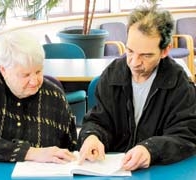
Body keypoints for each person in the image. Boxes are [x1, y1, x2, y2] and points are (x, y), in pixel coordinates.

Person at [78, 4, 196, 171]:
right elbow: (97, 120)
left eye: (146, 55)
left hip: (157, 171)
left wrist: (150, 150)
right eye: (130, 51)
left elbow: (186, 136)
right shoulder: (112, 74)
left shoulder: (180, 84)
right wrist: (91, 137)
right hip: (113, 170)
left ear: (165, 51)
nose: (134, 62)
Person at [0, 31, 77, 163]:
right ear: (3, 70)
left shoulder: (55, 97)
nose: (34, 81)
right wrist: (30, 152)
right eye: (25, 75)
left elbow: (71, 146)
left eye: (38, 71)